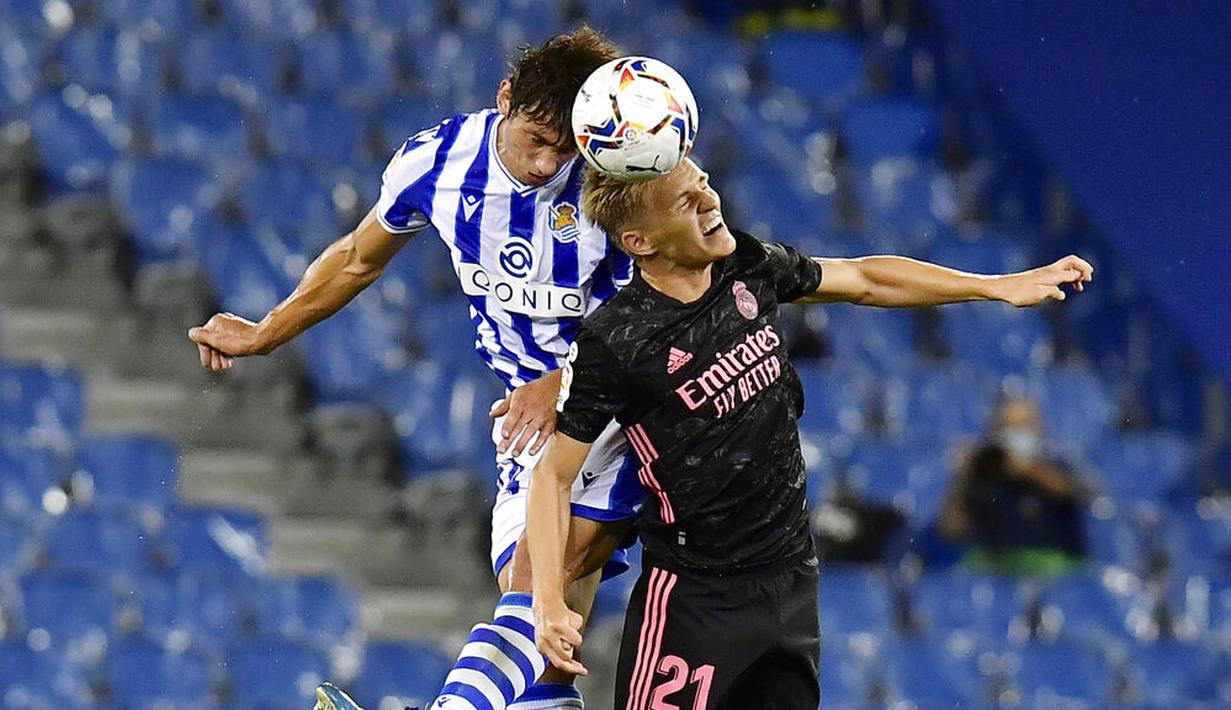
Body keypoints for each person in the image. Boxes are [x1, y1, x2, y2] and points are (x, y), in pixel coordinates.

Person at [527, 157, 1093, 708]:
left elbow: (865, 279)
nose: (709, 202)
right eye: (686, 201)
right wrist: (550, 602)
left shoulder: (744, 265)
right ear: (640, 241)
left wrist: (996, 286)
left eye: (703, 184)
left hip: (791, 584)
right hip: (696, 603)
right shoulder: (617, 340)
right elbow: (553, 478)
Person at [187, 28, 641, 710]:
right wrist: (267, 331)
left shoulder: (617, 180)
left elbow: (666, 313)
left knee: (535, 584)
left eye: (563, 147)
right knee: (547, 654)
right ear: (504, 99)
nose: (547, 163)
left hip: (628, 410)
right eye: (534, 140)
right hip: (531, 425)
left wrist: (565, 382)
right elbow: (357, 258)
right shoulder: (438, 163)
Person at [938, 395, 1088, 576]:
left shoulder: (1061, 463)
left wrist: (1028, 470)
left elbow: (1077, 494)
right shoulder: (985, 471)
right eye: (1008, 427)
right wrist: (963, 476)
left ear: (1039, 428)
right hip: (997, 569)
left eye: (1024, 426)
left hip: (1054, 567)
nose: (1016, 433)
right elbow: (951, 530)